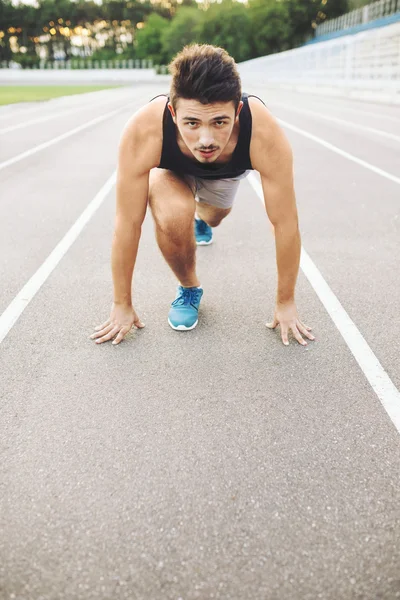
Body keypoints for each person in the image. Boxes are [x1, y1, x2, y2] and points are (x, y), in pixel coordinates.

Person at [90, 44, 314, 347]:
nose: (206, 140)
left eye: (219, 122)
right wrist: (121, 304)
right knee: (172, 214)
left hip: (226, 176)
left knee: (213, 216)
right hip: (173, 172)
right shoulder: (144, 130)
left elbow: (285, 223)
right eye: (192, 123)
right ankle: (189, 288)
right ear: (172, 112)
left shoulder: (263, 133)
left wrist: (286, 302)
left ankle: (202, 219)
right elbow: (127, 222)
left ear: (237, 111)